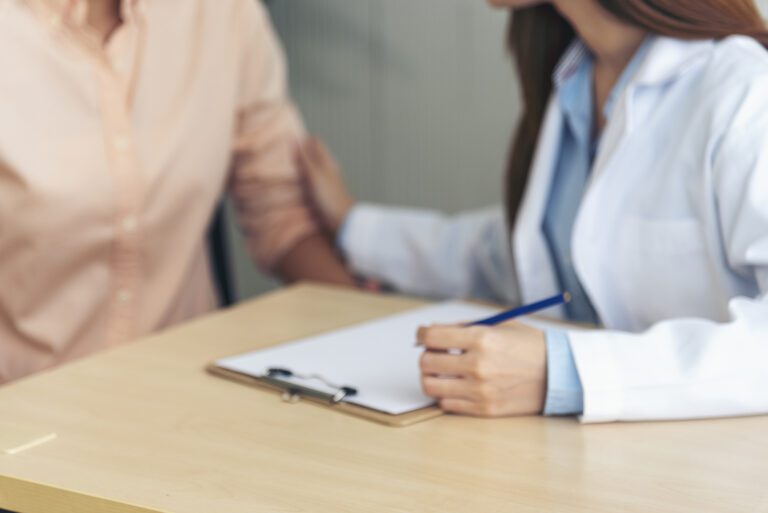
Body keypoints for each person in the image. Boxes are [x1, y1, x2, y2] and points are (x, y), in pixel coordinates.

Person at [299, 0, 768, 422]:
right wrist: (351, 225)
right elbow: (532, 253)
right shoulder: (574, 77)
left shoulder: (746, 92)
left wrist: (563, 371)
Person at [0, 0, 355, 384]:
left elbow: (282, 213)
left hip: (186, 397)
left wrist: (381, 332)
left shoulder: (221, 13)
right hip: (23, 411)